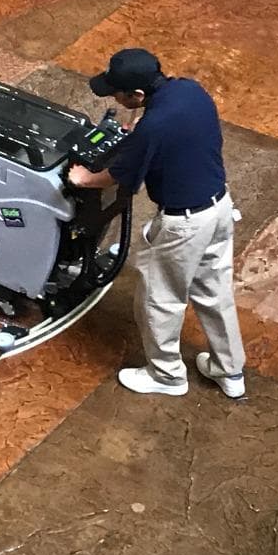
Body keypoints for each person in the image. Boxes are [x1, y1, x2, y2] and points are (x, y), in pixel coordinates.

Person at [68, 48, 246, 398]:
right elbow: (168, 129)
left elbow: (117, 176)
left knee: (159, 298)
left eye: (119, 94)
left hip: (185, 225)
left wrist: (83, 178)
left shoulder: (154, 126)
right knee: (214, 290)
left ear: (137, 95)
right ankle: (230, 371)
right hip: (219, 208)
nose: (115, 98)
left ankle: (166, 376)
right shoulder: (189, 91)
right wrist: (141, 129)